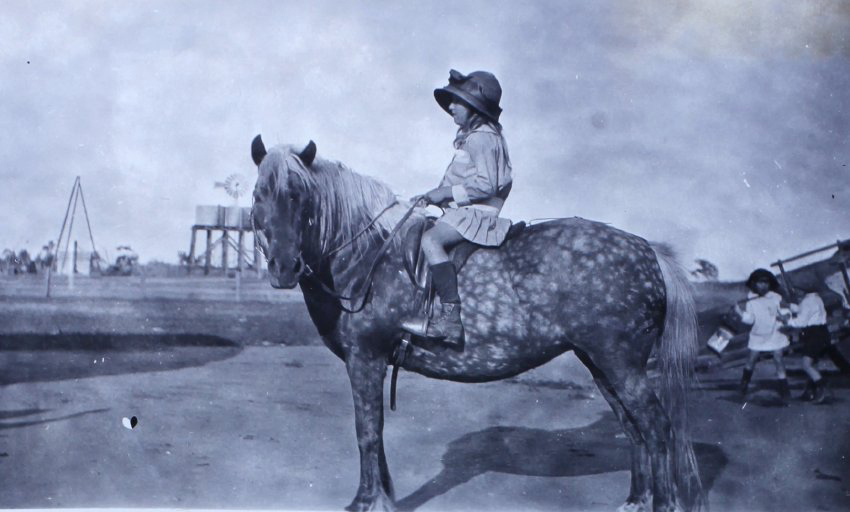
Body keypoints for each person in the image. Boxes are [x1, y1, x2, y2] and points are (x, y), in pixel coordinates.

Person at [400, 69, 513, 345]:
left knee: (430, 240)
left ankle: (450, 319)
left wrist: (445, 193)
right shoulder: (481, 136)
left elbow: (487, 185)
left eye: (457, 102)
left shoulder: (481, 138)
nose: (450, 107)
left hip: (477, 215)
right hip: (467, 211)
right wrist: (434, 196)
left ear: (474, 106)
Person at [734, 268, 791, 402]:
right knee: (751, 360)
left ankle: (785, 390)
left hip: (775, 333)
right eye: (759, 282)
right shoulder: (750, 299)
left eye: (766, 282)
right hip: (758, 335)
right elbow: (750, 319)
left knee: (778, 359)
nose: (763, 285)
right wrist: (739, 313)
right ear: (754, 284)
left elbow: (785, 310)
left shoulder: (775, 297)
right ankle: (743, 386)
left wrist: (785, 315)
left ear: (770, 284)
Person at [782, 288, 831, 402]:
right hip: (822, 333)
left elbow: (801, 322)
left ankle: (822, 386)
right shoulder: (816, 298)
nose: (794, 291)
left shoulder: (807, 302)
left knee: (806, 365)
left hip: (814, 335)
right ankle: (810, 392)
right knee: (813, 365)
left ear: (803, 290)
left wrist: (787, 321)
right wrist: (789, 306)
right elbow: (802, 310)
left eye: (797, 289)